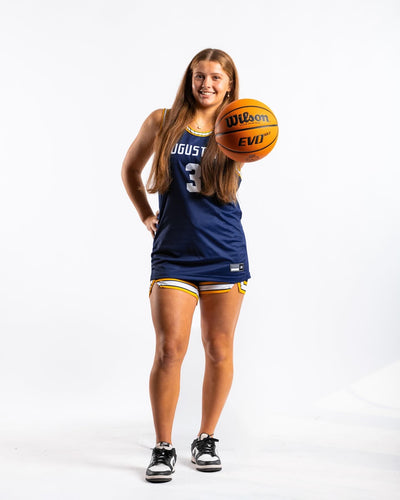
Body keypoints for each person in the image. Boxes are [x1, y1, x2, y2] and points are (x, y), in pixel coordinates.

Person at [121, 48, 250, 483]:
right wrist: (146, 215)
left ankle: (206, 438)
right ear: (189, 79)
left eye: (216, 77)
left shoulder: (240, 127)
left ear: (230, 85)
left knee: (219, 349)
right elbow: (130, 170)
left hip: (224, 252)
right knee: (169, 349)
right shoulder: (163, 121)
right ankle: (163, 446)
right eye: (199, 76)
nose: (206, 84)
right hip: (173, 253)